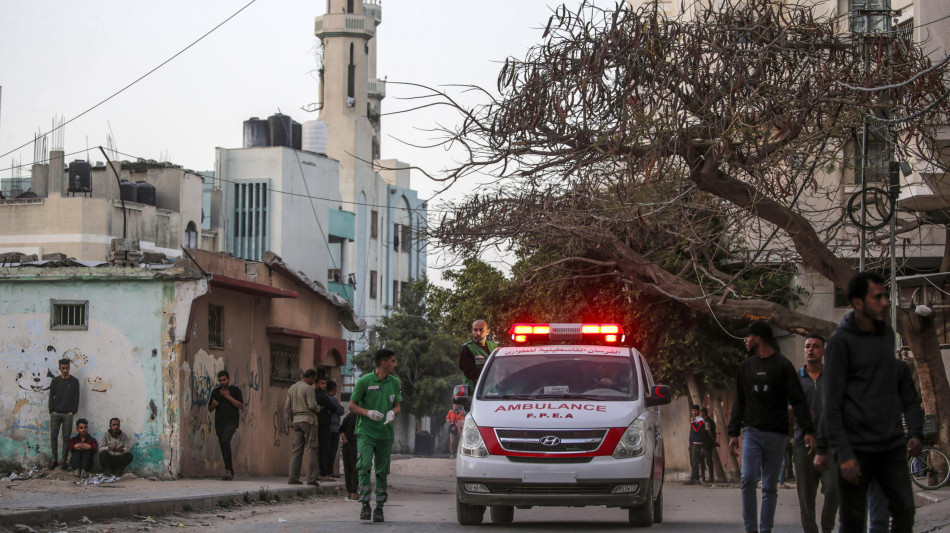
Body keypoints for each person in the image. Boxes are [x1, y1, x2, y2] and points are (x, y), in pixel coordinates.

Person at [823, 272, 923, 533]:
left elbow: (895, 394)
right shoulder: (840, 343)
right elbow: (831, 404)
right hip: (857, 448)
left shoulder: (885, 335)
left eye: (884, 296)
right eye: (877, 297)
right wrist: (843, 454)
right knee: (854, 520)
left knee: (904, 512)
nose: (885, 302)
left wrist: (914, 433)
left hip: (890, 446)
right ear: (858, 303)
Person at [728, 320, 815, 533]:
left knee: (769, 486)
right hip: (752, 431)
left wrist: (808, 431)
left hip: (777, 434)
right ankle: (751, 529)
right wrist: (733, 432)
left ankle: (765, 529)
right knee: (748, 479)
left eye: (748, 336)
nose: (745, 341)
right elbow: (739, 400)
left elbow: (798, 400)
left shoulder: (783, 366)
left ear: (758, 339)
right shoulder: (745, 367)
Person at [349, 348, 402, 523]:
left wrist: (393, 413)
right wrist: (367, 412)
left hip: (385, 434)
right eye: (393, 361)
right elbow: (352, 406)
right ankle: (365, 504)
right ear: (383, 363)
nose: (395, 364)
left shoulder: (394, 382)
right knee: (363, 466)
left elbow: (398, 406)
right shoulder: (364, 381)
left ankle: (379, 507)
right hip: (366, 432)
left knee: (381, 471)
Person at [792, 334, 838, 533]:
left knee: (834, 488)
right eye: (807, 346)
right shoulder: (795, 378)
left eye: (816, 346)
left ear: (823, 351)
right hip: (803, 444)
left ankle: (827, 527)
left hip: (830, 445)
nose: (811, 350)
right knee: (806, 495)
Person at [285, 369, 321, 485]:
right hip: (308, 421)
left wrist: (293, 418)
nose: (313, 383)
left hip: (296, 421)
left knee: (297, 450)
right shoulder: (308, 388)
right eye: (313, 380)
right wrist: (319, 409)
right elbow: (312, 405)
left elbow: (287, 407)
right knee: (312, 448)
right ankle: (311, 478)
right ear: (310, 377)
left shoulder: (292, 388)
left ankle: (293, 477)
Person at [208, 369, 244, 480]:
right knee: (223, 446)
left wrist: (228, 397)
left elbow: (240, 405)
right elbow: (210, 409)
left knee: (225, 440)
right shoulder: (215, 392)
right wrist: (213, 405)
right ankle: (229, 471)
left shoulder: (235, 390)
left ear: (228, 379)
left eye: (224, 380)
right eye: (220, 380)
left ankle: (228, 470)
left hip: (231, 422)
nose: (222, 382)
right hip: (219, 423)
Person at [48, 358, 80, 470]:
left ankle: (63, 461)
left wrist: (72, 412)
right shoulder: (55, 381)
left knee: (66, 437)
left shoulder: (74, 381)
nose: (65, 370)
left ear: (69, 368)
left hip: (68, 414)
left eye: (67, 368)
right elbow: (51, 396)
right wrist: (51, 410)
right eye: (63, 368)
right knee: (54, 437)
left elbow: (77, 398)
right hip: (56, 413)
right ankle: (54, 459)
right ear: (59, 368)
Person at [315, 376, 345, 480]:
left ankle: (325, 472)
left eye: (325, 384)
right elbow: (340, 410)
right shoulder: (329, 398)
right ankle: (326, 472)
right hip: (330, 428)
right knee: (329, 451)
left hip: (328, 427)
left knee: (327, 451)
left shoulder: (323, 397)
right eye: (322, 383)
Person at [459, 319, 498, 389]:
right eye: (475, 330)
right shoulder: (467, 348)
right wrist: (491, 372)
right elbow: (469, 372)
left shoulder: (494, 346)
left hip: (494, 391)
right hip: (475, 392)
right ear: (472, 331)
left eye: (481, 330)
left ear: (487, 332)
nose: (478, 333)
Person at [339, 410, 359, 502]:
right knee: (355, 469)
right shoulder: (360, 417)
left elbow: (341, 429)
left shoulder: (348, 416)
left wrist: (344, 439)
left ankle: (349, 492)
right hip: (354, 444)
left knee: (347, 468)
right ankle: (354, 492)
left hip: (346, 444)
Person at [326, 380, 344, 478]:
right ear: (334, 389)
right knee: (332, 451)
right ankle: (329, 471)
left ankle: (328, 471)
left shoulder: (326, 399)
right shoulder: (332, 400)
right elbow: (341, 410)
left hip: (329, 428)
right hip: (333, 429)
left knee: (329, 451)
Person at [687, 405, 708, 484]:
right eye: (693, 411)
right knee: (692, 460)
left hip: (697, 442)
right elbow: (691, 432)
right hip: (692, 442)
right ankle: (696, 477)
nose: (694, 412)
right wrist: (689, 443)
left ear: (698, 411)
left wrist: (692, 422)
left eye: (695, 411)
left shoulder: (700, 419)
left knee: (695, 460)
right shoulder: (693, 419)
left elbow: (696, 429)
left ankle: (693, 478)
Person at [701, 407, 718, 483]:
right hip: (706, 443)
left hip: (707, 443)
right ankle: (704, 476)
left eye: (701, 413)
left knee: (708, 460)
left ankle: (711, 477)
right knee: (704, 459)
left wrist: (714, 441)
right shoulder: (710, 420)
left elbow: (709, 432)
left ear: (703, 413)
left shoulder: (707, 421)